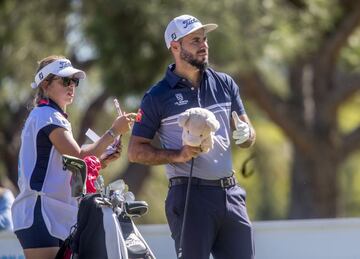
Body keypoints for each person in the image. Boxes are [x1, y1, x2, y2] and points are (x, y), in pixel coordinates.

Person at [128, 14, 256, 259]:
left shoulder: (225, 83)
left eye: (204, 39)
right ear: (175, 47)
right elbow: (135, 151)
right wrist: (179, 154)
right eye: (195, 40)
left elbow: (248, 133)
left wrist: (247, 134)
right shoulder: (157, 96)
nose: (204, 45)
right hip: (190, 196)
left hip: (231, 194)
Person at [11, 55, 136, 259]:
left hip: (52, 213)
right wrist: (113, 131)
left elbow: (71, 166)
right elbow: (77, 156)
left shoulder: (50, 115)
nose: (72, 87)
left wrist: (101, 161)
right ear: (45, 83)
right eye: (65, 81)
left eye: (75, 81)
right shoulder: (47, 115)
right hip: (40, 212)